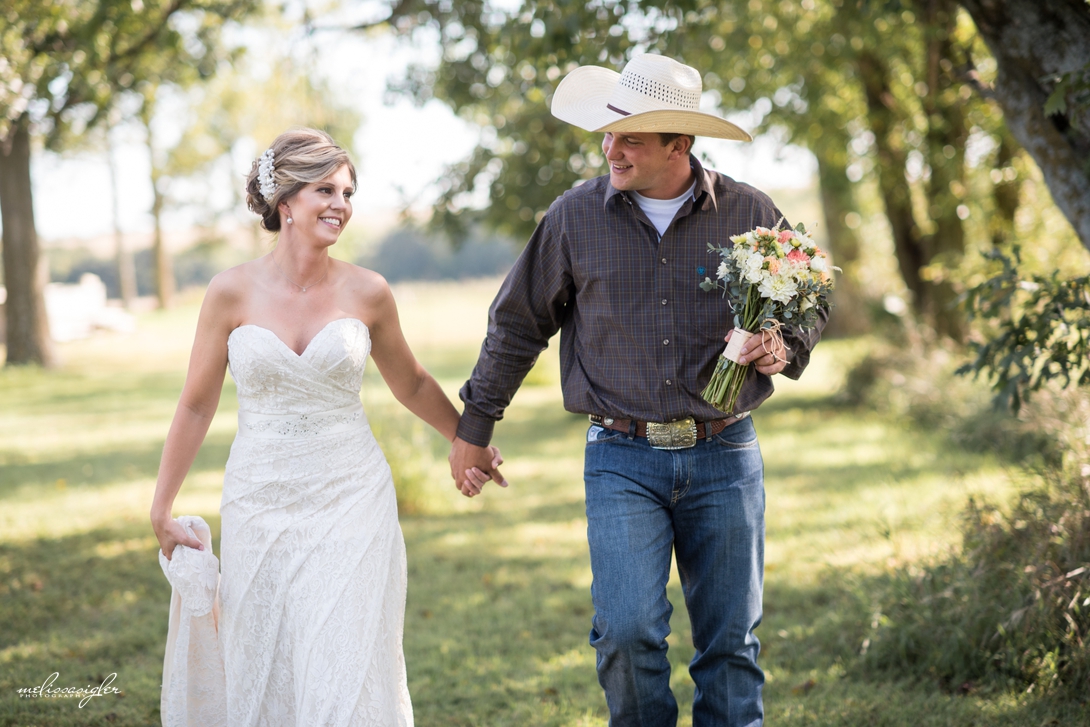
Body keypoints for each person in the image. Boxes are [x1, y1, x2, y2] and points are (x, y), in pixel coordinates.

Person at [447, 55, 828, 726]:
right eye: (609, 134)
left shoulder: (750, 213)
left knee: (730, 645)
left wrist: (784, 344)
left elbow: (809, 298)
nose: (610, 149)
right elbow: (517, 323)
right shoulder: (573, 218)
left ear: (678, 144)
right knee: (625, 633)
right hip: (622, 458)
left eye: (629, 137)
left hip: (724, 453)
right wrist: (474, 428)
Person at [150, 127, 501, 726]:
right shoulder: (229, 292)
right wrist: (162, 505)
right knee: (263, 656)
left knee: (346, 666)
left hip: (352, 498)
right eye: (325, 190)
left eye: (348, 191)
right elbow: (195, 405)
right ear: (285, 203)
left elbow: (411, 382)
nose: (341, 204)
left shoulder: (369, 291)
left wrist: (469, 441)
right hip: (259, 503)